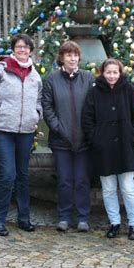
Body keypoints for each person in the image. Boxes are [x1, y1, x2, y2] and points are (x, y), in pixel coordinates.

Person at [0, 33, 42, 236]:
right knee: (7, 175)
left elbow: (39, 99)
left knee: (23, 175)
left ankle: (24, 218)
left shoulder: (34, 74)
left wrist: (36, 116)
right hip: (3, 131)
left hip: (25, 131)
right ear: (13, 49)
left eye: (26, 47)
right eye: (19, 47)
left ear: (30, 51)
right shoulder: (1, 70)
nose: (22, 50)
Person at [82, 58, 134, 240]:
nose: (111, 76)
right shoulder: (94, 91)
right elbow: (87, 118)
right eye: (108, 72)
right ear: (102, 73)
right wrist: (95, 138)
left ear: (120, 73)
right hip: (103, 148)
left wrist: (132, 134)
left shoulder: (128, 90)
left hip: (125, 146)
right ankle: (115, 222)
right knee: (108, 188)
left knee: (127, 187)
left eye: (115, 72)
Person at [41, 41, 94, 232]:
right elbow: (47, 107)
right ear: (61, 58)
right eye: (68, 55)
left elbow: (92, 106)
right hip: (60, 140)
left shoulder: (88, 78)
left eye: (75, 55)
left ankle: (82, 217)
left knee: (82, 180)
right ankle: (63, 216)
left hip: (83, 140)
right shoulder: (52, 79)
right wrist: (57, 127)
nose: (72, 58)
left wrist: (89, 130)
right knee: (64, 180)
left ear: (79, 57)